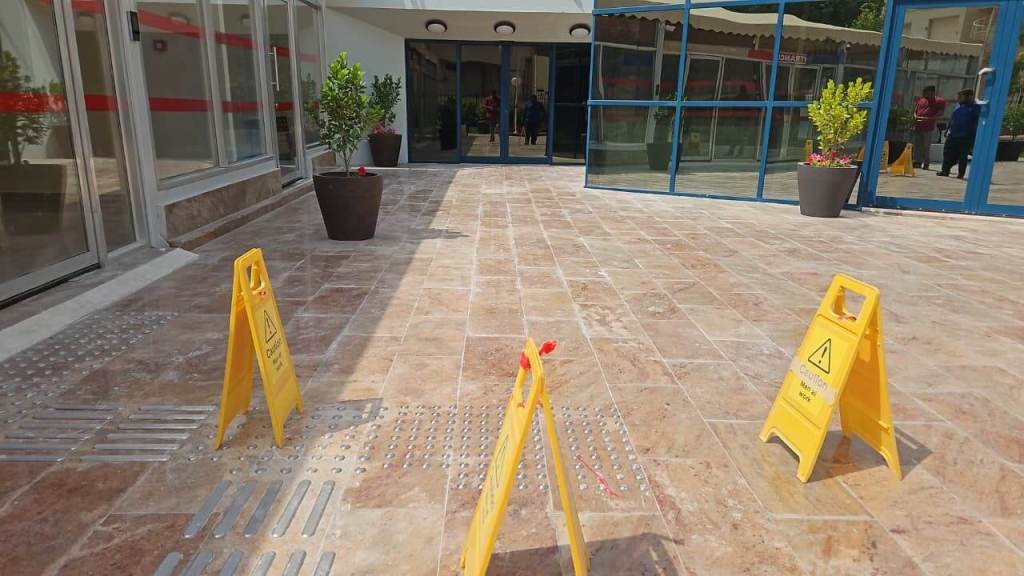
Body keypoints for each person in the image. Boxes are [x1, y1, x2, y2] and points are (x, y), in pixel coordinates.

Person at [938, 89, 980, 179]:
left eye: (961, 97)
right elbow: (953, 118)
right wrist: (947, 129)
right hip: (953, 134)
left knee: (962, 155)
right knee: (947, 152)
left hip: (966, 135)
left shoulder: (975, 108)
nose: (958, 99)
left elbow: (978, 121)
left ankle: (961, 174)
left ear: (969, 97)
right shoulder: (958, 106)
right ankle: (945, 170)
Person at [912, 85, 945, 170]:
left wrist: (928, 119)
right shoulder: (921, 100)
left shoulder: (939, 101)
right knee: (917, 145)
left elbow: (940, 113)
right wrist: (915, 116)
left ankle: (926, 162)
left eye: (927, 92)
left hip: (928, 127)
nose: (925, 94)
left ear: (932, 92)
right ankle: (917, 161)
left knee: (926, 146)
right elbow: (916, 110)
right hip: (918, 126)